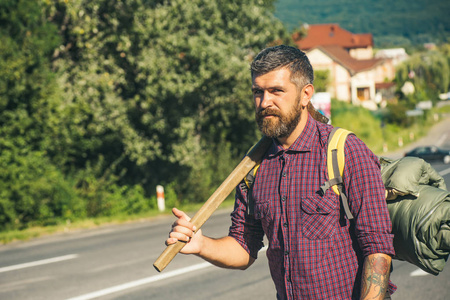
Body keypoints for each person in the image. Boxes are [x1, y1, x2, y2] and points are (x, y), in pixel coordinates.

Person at [166, 45, 395, 300]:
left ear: (305, 94)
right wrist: (201, 244)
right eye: (257, 92)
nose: (265, 102)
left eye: (276, 91)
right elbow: (244, 248)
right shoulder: (253, 167)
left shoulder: (344, 150)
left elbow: (377, 247)